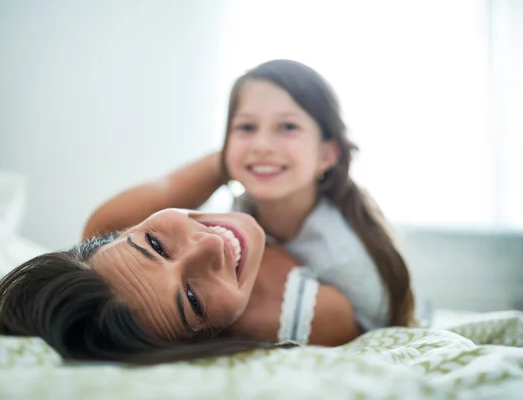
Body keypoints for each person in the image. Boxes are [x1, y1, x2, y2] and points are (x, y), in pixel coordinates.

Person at [84, 60, 417, 341]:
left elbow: (376, 325)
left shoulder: (340, 257)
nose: (261, 144)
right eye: (246, 127)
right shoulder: (247, 207)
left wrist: (242, 157)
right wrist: (232, 160)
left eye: (287, 126)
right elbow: (104, 232)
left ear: (327, 155)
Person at [0, 208, 359, 366]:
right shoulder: (317, 317)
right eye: (192, 300)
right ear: (207, 342)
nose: (210, 244)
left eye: (154, 245)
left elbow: (221, 158)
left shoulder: (107, 222)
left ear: (121, 232)